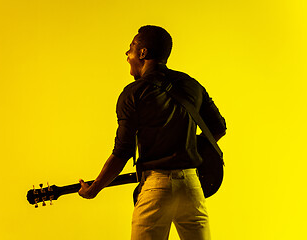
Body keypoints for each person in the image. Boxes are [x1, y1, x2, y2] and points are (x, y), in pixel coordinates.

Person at [78, 25, 226, 240]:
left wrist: (94, 189)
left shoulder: (134, 93)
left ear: (143, 53)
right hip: (192, 187)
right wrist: (188, 147)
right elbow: (218, 127)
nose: (127, 55)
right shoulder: (190, 84)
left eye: (130, 48)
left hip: (157, 187)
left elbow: (123, 151)